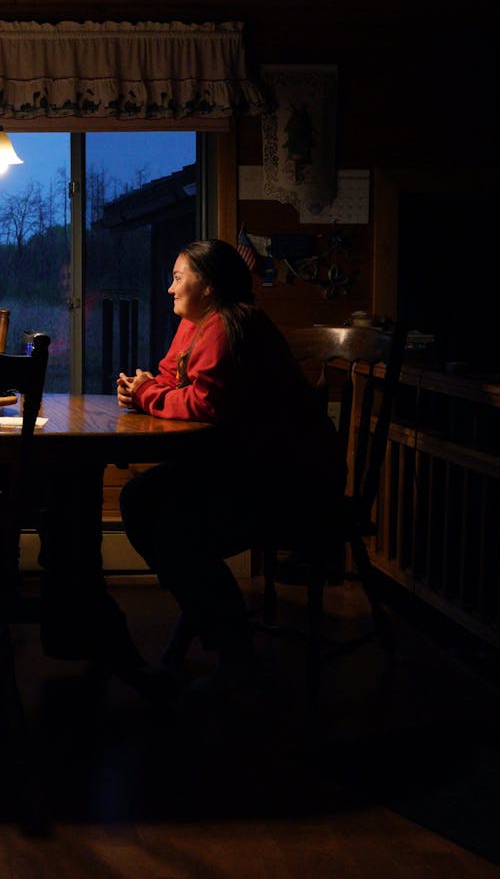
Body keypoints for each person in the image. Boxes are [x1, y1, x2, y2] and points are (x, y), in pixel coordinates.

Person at [115, 238, 344, 685]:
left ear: (209, 284)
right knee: (141, 498)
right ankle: (214, 617)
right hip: (241, 465)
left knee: (173, 528)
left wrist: (148, 395)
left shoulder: (231, 324)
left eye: (178, 278)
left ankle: (231, 644)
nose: (169, 289)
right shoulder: (197, 323)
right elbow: (170, 377)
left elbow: (204, 402)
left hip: (289, 478)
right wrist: (143, 387)